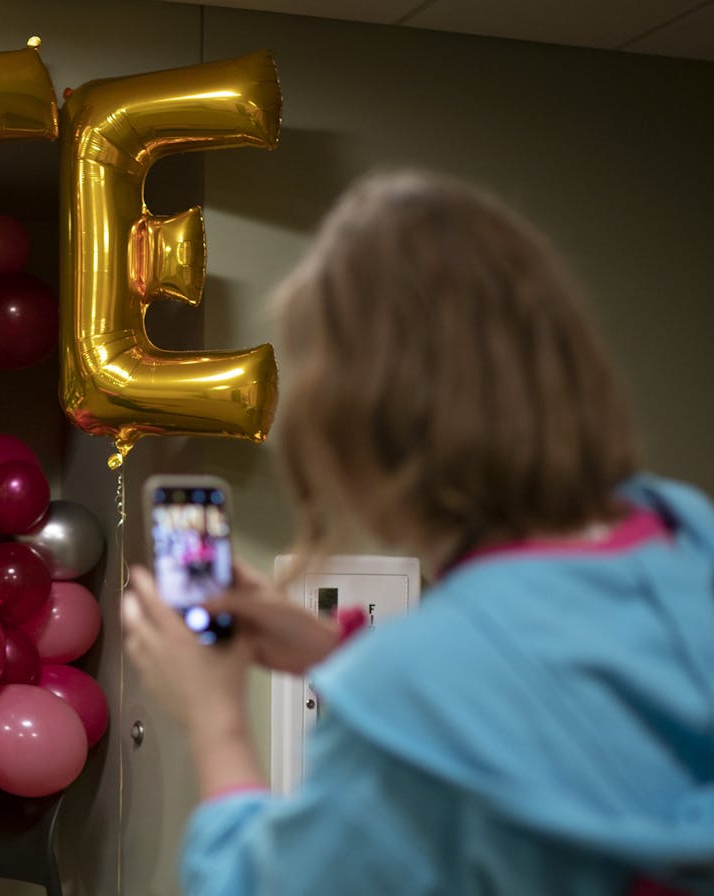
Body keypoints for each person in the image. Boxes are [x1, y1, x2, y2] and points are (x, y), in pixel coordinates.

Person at [122, 169, 714, 895]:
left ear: (350, 425)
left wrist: (214, 719)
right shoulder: (686, 536)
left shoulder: (413, 694)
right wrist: (343, 654)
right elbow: (588, 702)